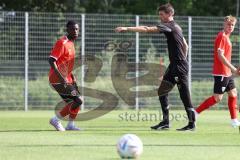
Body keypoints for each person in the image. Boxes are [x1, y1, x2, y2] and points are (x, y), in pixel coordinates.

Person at [115, 3, 196, 131]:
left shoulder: (169, 26)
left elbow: (147, 29)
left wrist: (126, 28)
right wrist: (182, 59)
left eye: (162, 15)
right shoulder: (177, 27)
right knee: (162, 91)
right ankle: (165, 122)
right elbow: (185, 45)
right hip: (175, 65)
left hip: (179, 67)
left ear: (170, 14)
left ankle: (191, 124)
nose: (160, 17)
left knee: (184, 95)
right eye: (159, 15)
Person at [195, 15, 240, 128]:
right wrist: (234, 68)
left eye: (232, 25)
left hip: (227, 72)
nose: (230, 27)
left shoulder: (227, 37)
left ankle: (234, 120)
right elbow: (220, 56)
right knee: (217, 98)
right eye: (228, 24)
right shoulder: (222, 36)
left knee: (233, 93)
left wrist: (231, 69)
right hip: (221, 72)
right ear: (224, 24)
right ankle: (194, 113)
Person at [49, 20, 82, 131]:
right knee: (77, 101)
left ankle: (70, 125)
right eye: (73, 29)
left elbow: (65, 63)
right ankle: (55, 119)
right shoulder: (62, 42)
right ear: (67, 30)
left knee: (77, 101)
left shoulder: (71, 44)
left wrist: (71, 76)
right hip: (57, 79)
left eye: (77, 29)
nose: (75, 31)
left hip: (67, 78)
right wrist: (61, 78)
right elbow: (51, 60)